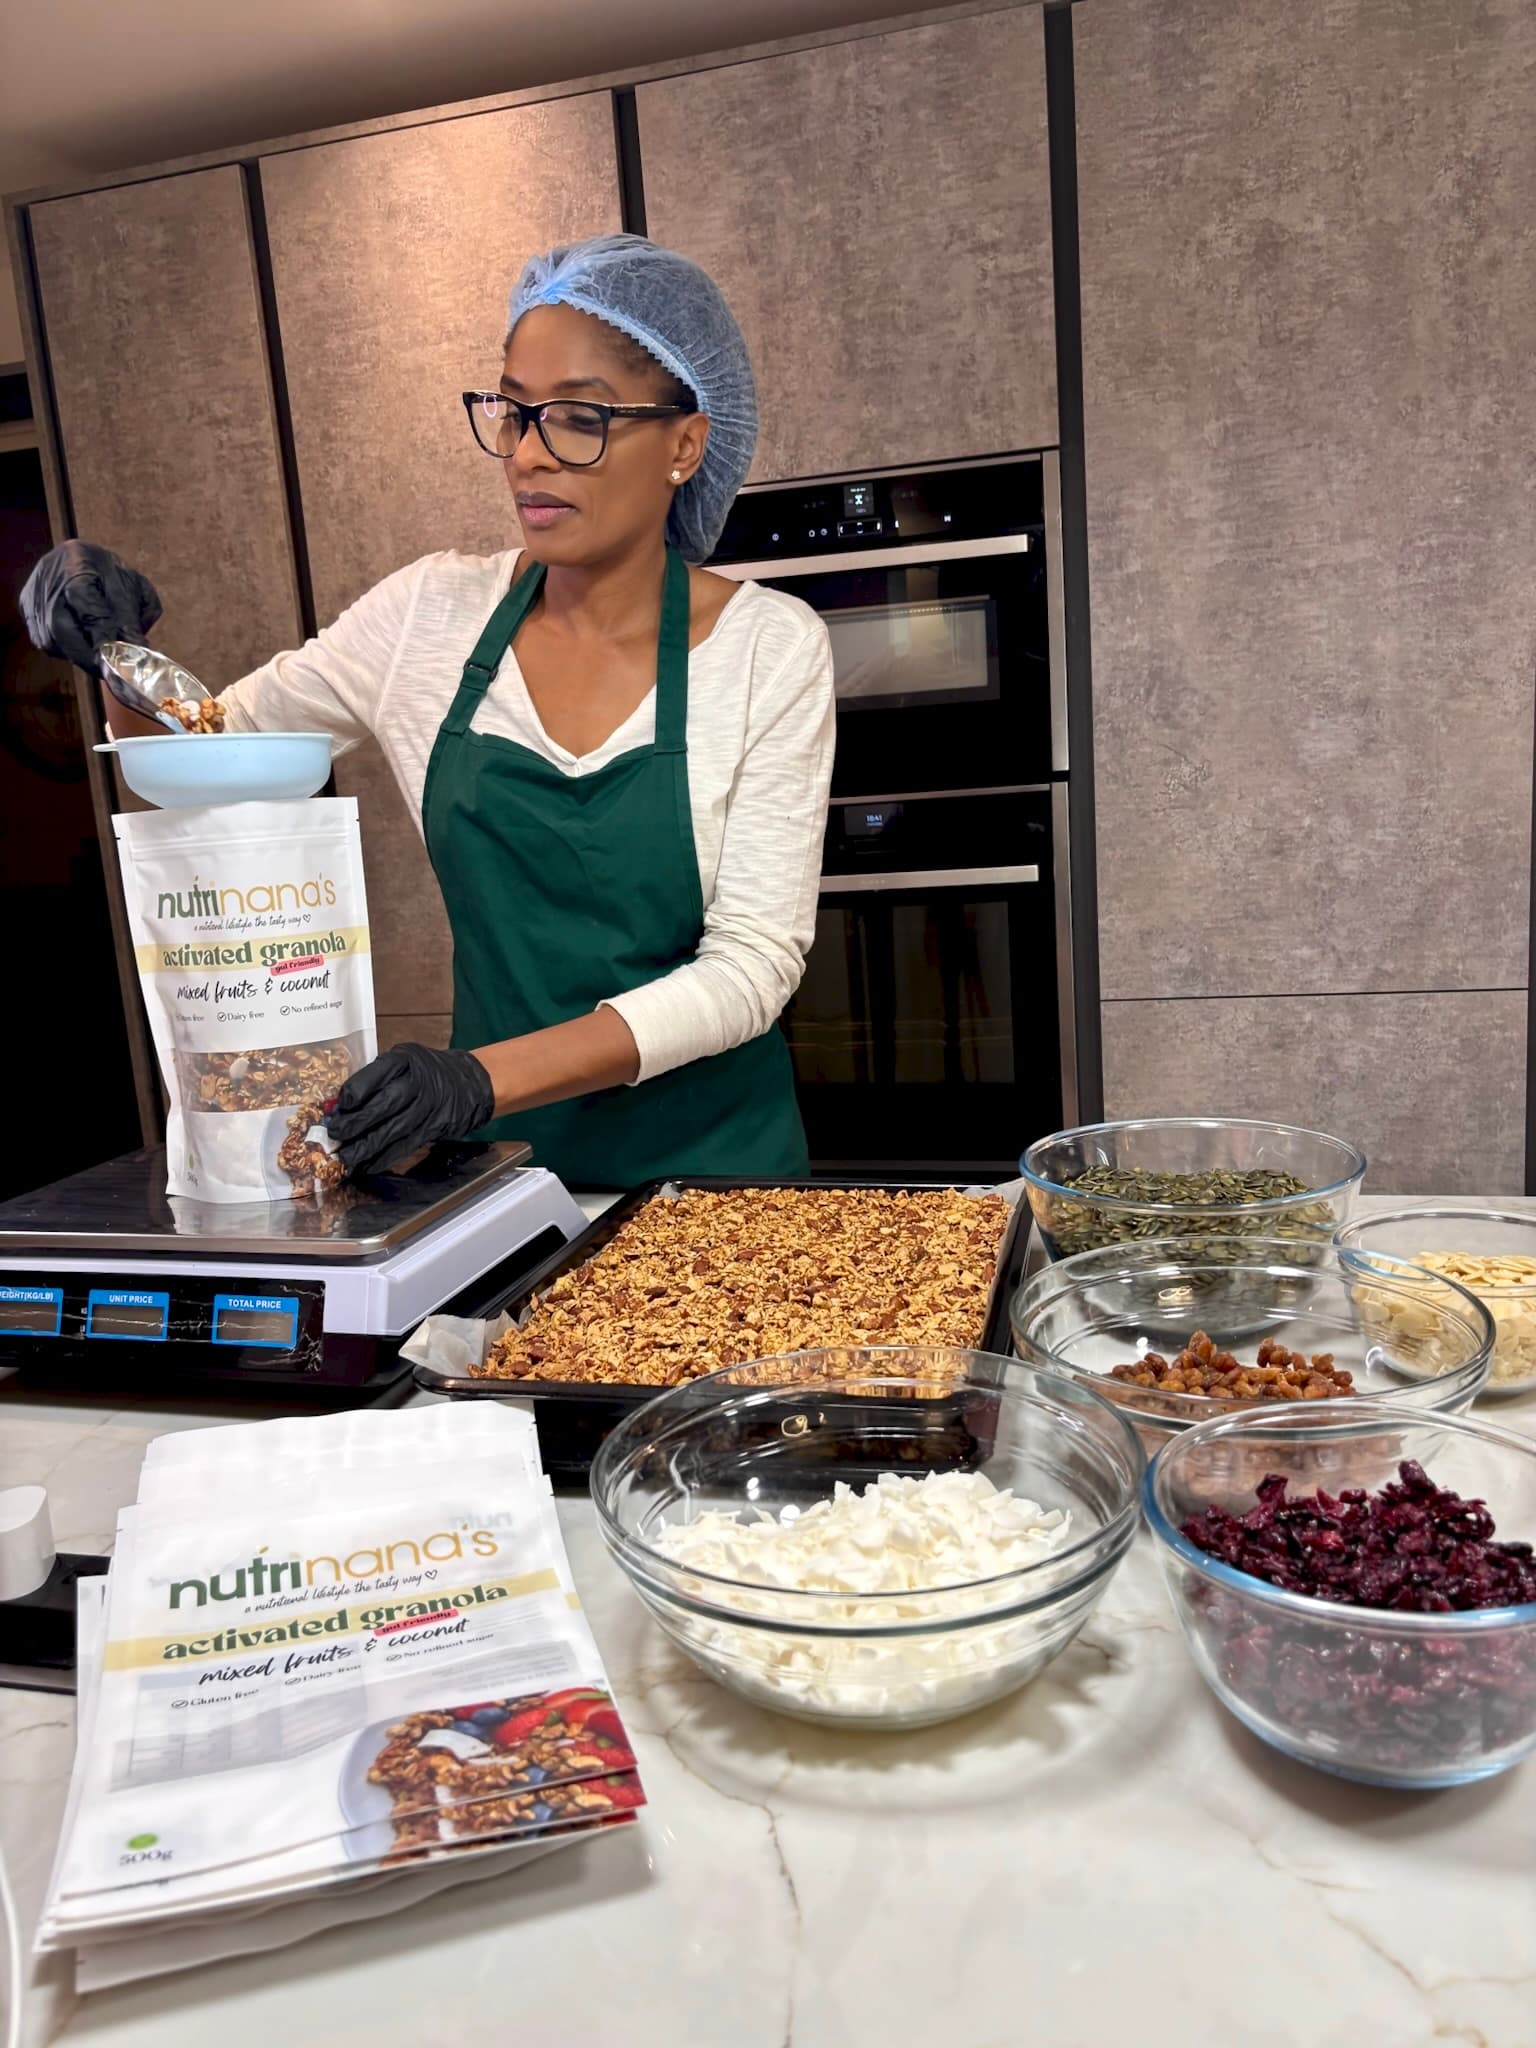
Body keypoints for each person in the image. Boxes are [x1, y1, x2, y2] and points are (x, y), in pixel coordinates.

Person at [23, 234, 835, 1186]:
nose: (527, 455)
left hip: (720, 1179)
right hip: (504, 1177)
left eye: (578, 418)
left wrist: (476, 1080)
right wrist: (116, 653)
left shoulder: (768, 646)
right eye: (513, 412)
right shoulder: (428, 616)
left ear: (685, 444)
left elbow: (751, 968)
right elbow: (202, 766)